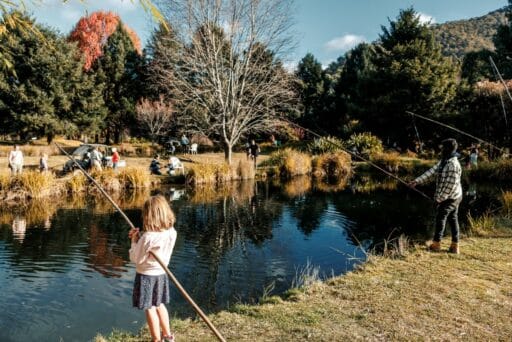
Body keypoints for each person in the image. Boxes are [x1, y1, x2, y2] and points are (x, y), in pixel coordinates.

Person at [128, 195, 177, 342]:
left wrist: (134, 241)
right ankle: (168, 337)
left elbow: (136, 258)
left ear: (149, 215)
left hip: (146, 276)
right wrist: (140, 239)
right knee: (159, 304)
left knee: (150, 308)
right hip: (161, 274)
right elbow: (153, 248)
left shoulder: (148, 237)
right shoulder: (171, 232)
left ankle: (156, 339)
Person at [409, 138, 463, 254]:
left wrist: (439, 199)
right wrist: (417, 181)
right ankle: (455, 246)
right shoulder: (444, 160)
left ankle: (436, 244)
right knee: (453, 218)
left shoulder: (453, 165)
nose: (441, 150)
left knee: (441, 217)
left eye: (443, 148)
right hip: (448, 195)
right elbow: (432, 171)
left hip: (453, 197)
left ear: (448, 149)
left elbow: (450, 185)